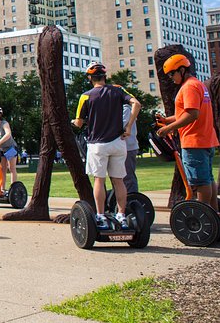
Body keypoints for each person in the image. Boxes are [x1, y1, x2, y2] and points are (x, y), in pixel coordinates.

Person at [72, 62, 141, 230]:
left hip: (97, 144)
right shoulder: (117, 91)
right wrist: (129, 126)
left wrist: (74, 122)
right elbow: (136, 104)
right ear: (105, 76)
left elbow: (79, 123)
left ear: (90, 78)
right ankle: (121, 215)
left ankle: (101, 216)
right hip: (118, 143)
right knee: (119, 181)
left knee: (99, 180)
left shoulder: (86, 96)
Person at [156, 54, 219, 211]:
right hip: (205, 139)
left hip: (194, 141)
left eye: (172, 73)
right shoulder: (198, 85)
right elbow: (186, 113)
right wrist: (166, 121)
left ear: (182, 70)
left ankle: (203, 215)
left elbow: (192, 114)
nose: (171, 78)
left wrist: (168, 129)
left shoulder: (189, 87)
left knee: (200, 182)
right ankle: (213, 215)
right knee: (208, 179)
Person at [123, 103, 139, 194]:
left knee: (128, 177)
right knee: (120, 179)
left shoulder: (126, 109)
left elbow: (120, 126)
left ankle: (132, 201)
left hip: (128, 147)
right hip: (121, 147)